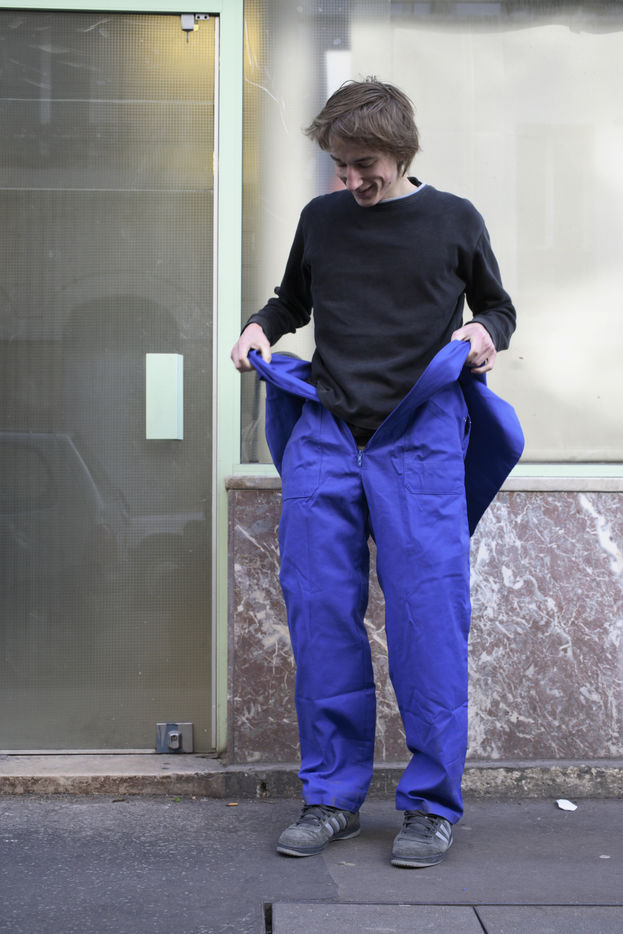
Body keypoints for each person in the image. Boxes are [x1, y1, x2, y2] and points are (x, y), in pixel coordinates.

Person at [231, 79, 517, 868]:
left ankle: (429, 807)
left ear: (400, 150)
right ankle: (330, 797)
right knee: (320, 613)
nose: (351, 179)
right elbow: (292, 301)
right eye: (340, 165)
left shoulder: (454, 220)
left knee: (428, 620)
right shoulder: (321, 219)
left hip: (420, 438)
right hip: (327, 432)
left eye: (364, 165)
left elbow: (497, 308)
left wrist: (482, 335)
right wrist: (258, 326)